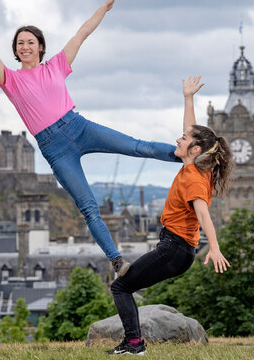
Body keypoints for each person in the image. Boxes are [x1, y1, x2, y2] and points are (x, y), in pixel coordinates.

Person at [0, 0, 180, 275]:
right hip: (54, 148)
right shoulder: (11, 80)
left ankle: (182, 155)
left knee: (135, 146)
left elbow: (81, 34)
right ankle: (117, 261)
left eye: (30, 42)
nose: (25, 47)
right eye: (20, 43)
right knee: (88, 206)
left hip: (78, 126)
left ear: (40, 47)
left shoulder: (56, 65)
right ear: (15, 50)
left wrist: (104, 9)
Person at [106, 76, 233, 355]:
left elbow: (203, 213)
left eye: (184, 139)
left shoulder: (194, 178)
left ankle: (134, 344)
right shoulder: (202, 167)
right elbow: (191, 130)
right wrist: (188, 98)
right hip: (178, 250)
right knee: (126, 286)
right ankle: (134, 342)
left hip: (173, 249)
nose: (179, 138)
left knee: (120, 287)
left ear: (195, 150)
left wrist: (214, 246)